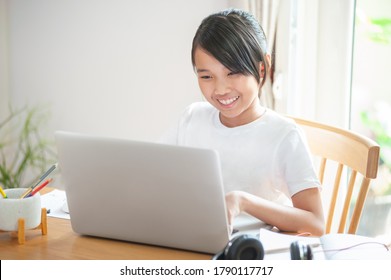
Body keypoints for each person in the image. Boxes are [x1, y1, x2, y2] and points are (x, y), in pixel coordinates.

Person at [160, 8, 324, 236]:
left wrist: (244, 202)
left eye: (233, 73)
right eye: (206, 76)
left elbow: (315, 223)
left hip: (249, 252)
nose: (220, 89)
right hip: (193, 239)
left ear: (262, 67)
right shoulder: (192, 118)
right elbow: (155, 176)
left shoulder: (284, 135)